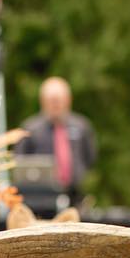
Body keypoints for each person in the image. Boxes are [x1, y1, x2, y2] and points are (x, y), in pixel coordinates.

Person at [14, 77, 97, 216]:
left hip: (75, 197)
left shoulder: (81, 126)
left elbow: (90, 158)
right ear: (43, 101)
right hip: (40, 200)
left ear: (68, 100)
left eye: (59, 100)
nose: (55, 105)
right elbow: (19, 164)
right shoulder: (30, 129)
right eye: (52, 101)